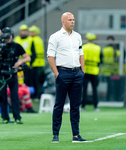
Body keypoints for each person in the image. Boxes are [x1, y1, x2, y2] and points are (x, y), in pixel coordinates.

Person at [47, 12, 87, 143]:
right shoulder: (55, 37)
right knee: (59, 105)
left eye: (73, 19)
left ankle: (76, 135)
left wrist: (82, 71)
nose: (72, 22)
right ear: (63, 21)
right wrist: (57, 74)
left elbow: (81, 53)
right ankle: (55, 134)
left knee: (75, 106)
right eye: (70, 20)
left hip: (77, 74)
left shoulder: (77, 36)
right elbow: (50, 56)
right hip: (63, 73)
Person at [0, 27, 31, 124]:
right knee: (2, 97)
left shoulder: (17, 46)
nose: (6, 39)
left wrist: (20, 62)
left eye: (8, 36)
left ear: (12, 36)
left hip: (12, 74)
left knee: (14, 96)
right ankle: (5, 118)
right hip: (1, 74)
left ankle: (17, 118)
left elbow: (27, 58)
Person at [81, 33, 101, 112]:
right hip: (94, 71)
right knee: (95, 90)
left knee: (84, 90)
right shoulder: (98, 48)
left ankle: (83, 106)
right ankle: (96, 106)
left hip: (85, 71)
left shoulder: (83, 47)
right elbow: (101, 59)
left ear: (87, 39)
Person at [29, 25, 45, 99]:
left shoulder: (32, 40)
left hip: (35, 63)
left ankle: (35, 95)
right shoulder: (39, 39)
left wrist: (31, 63)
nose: (30, 33)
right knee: (39, 81)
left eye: (32, 32)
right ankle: (39, 95)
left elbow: (33, 53)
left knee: (34, 81)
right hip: (41, 62)